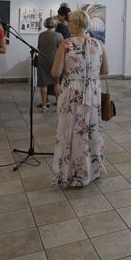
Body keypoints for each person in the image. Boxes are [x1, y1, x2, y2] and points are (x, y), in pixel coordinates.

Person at [51, 10, 109, 187]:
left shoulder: (66, 44)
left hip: (72, 91)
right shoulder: (99, 44)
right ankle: (92, 170)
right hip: (92, 90)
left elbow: (55, 72)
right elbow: (105, 70)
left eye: (70, 22)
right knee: (90, 128)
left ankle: (72, 174)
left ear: (76, 24)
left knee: (72, 130)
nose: (68, 25)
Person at [36, 17, 63, 110]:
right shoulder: (59, 35)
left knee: (43, 83)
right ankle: (59, 104)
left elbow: (39, 47)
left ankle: (44, 105)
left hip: (42, 60)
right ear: (55, 24)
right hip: (54, 61)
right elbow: (62, 50)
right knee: (56, 83)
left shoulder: (41, 35)